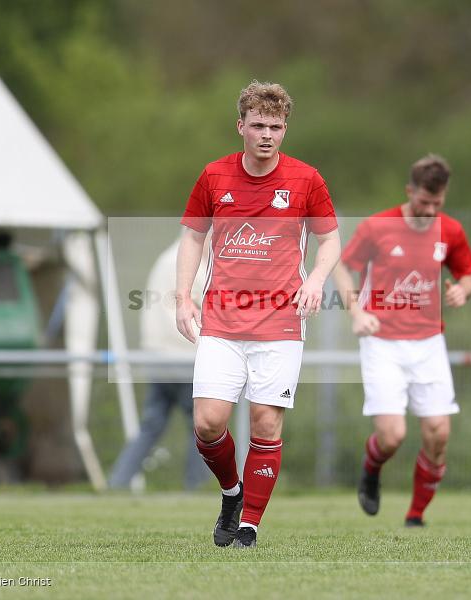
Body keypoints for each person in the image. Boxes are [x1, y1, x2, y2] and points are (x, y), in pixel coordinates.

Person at [176, 80, 340, 549]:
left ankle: (248, 524)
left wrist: (315, 280)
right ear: (241, 127)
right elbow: (192, 235)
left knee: (266, 423)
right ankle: (231, 494)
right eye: (259, 125)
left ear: (285, 129)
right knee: (208, 423)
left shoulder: (306, 179)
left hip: (281, 323)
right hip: (223, 321)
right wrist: (182, 296)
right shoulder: (214, 176)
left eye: (277, 126)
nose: (267, 134)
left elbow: (329, 238)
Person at [332, 154, 471, 527]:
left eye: (437, 203)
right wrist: (357, 313)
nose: (429, 210)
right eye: (423, 201)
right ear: (409, 191)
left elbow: (468, 273)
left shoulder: (451, 231)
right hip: (382, 341)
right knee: (393, 436)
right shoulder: (378, 227)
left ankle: (416, 515)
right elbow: (342, 269)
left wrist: (463, 290)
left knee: (438, 433)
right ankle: (371, 468)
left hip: (429, 343)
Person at [109, 236, 210, 491]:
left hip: (158, 356)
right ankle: (197, 487)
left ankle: (118, 483)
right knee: (204, 427)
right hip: (185, 356)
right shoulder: (190, 263)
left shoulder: (166, 257)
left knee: (151, 426)